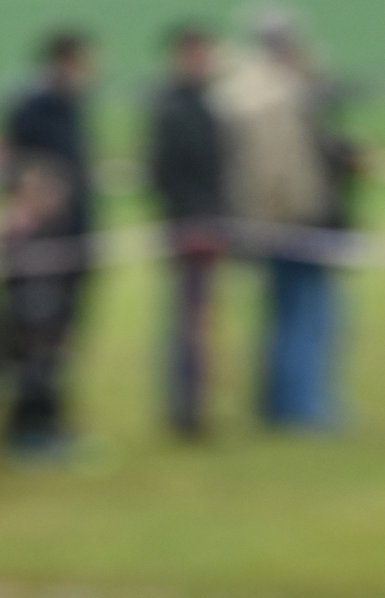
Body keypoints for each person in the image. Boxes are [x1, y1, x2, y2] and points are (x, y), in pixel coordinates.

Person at [216, 8, 350, 430]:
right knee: (306, 316)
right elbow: (277, 171)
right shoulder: (275, 96)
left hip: (267, 221)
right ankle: (304, 406)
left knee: (281, 314)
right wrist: (291, 220)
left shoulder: (241, 90)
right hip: (293, 221)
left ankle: (279, 401)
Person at [0, 30, 95, 458]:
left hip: (69, 243)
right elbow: (26, 168)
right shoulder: (34, 106)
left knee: (57, 341)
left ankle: (49, 422)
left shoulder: (66, 104)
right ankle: (29, 429)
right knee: (34, 340)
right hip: (41, 248)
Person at [145, 23, 225, 440]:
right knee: (189, 324)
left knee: (201, 321)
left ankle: (196, 404)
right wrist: (190, 221)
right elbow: (164, 173)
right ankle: (187, 410)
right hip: (190, 230)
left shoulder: (202, 102)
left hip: (208, 225)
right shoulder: (173, 108)